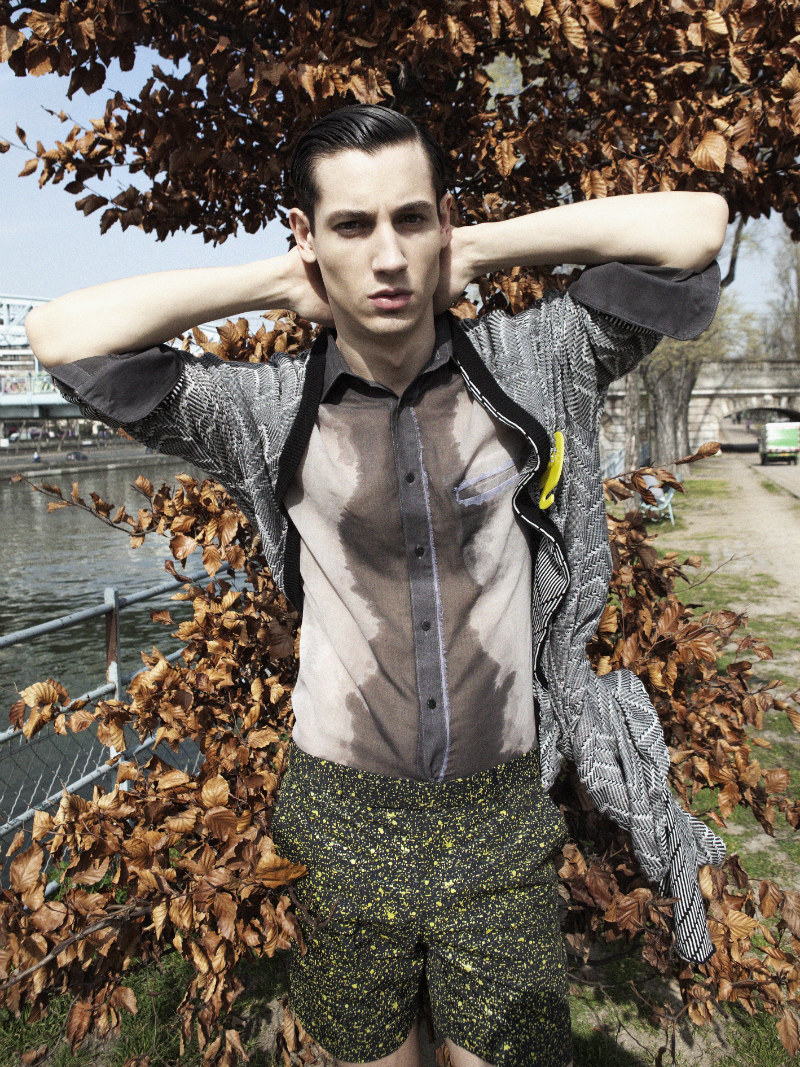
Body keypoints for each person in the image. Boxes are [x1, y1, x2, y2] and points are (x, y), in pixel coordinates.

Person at [26, 105, 729, 1067]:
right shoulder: (267, 406)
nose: (389, 257)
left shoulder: (530, 362)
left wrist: (482, 247)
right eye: (352, 227)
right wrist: (279, 281)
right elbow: (61, 336)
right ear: (309, 237)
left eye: (411, 219)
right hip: (342, 821)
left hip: (500, 817)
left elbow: (696, 230)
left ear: (443, 221)